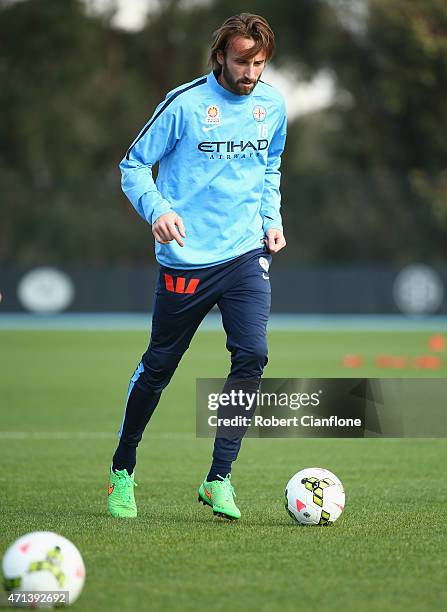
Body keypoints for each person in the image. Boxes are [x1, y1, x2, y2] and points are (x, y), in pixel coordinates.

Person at [107, 12, 287, 520]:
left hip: (246, 253)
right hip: (186, 258)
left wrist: (271, 219)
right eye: (241, 61)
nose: (251, 72)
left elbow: (270, 165)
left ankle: (219, 478)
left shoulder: (273, 105)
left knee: (252, 355)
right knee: (160, 365)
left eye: (259, 62)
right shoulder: (185, 105)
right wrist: (158, 210)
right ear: (219, 58)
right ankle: (123, 469)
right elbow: (133, 165)